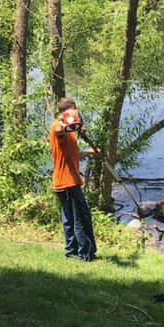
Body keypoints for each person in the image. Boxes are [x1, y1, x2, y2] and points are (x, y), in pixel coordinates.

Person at [49, 97, 100, 261]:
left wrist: (89, 152)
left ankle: (70, 251)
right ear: (68, 110)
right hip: (67, 181)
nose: (76, 112)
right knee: (80, 217)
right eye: (74, 110)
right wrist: (68, 124)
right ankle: (85, 254)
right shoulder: (58, 127)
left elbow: (72, 155)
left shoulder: (70, 133)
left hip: (67, 180)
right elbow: (58, 130)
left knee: (69, 217)